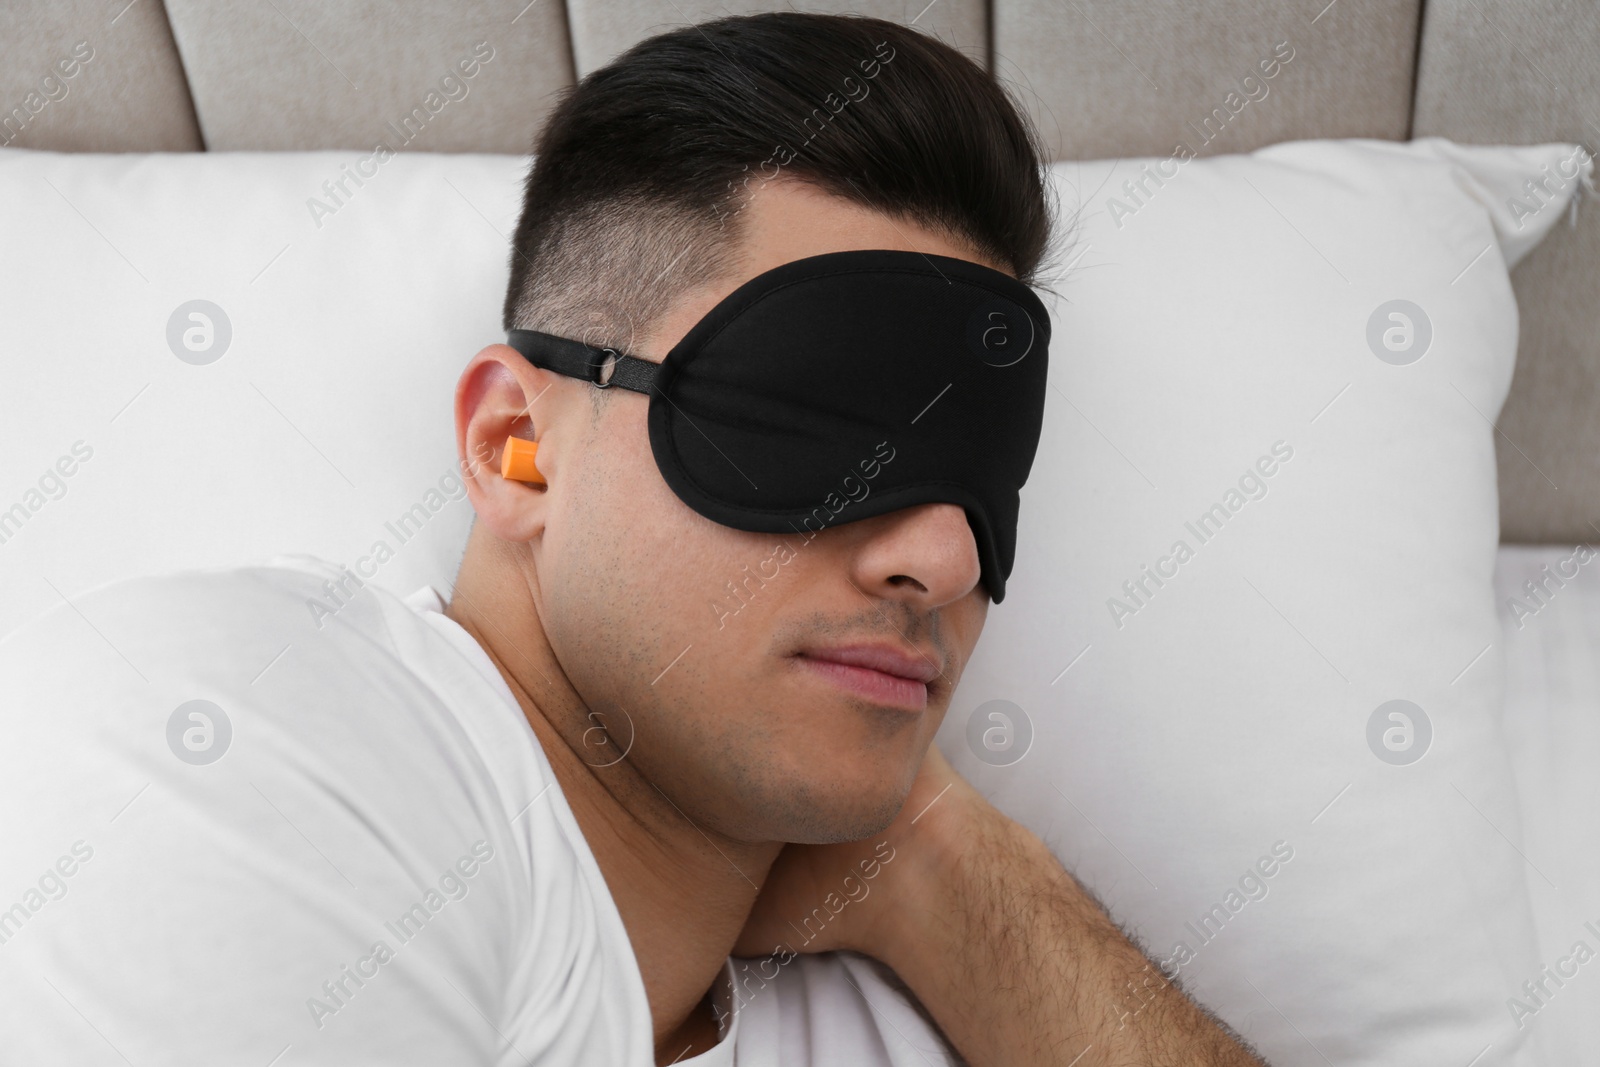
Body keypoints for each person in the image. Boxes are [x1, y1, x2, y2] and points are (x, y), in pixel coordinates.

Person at [0, 12, 1265, 1066]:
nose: (938, 561)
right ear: (517, 445)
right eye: (817, 421)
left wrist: (931, 857)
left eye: (984, 477)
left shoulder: (910, 1005)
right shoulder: (254, 735)